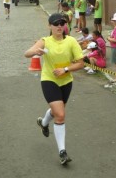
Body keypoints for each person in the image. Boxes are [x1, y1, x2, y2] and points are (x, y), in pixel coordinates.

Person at [24, 13, 84, 165]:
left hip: (66, 81)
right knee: (61, 115)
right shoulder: (45, 41)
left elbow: (80, 63)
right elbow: (27, 53)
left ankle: (44, 123)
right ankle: (62, 152)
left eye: (62, 23)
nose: (59, 26)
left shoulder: (71, 41)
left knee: (58, 111)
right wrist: (35, 52)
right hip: (49, 80)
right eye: (56, 23)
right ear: (49, 26)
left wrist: (65, 69)